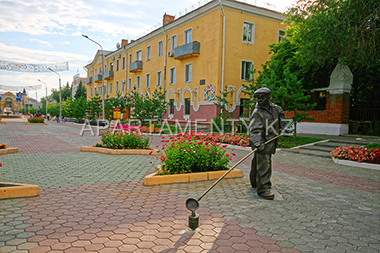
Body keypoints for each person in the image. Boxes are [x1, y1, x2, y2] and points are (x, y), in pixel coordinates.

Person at [249, 87, 285, 200]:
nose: (259, 101)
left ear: (268, 97)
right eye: (257, 98)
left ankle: (254, 181)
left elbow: (282, 122)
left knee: (258, 162)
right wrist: (257, 142)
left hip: (271, 141)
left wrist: (283, 129)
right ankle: (263, 189)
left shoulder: (277, 109)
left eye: (261, 98)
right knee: (264, 164)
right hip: (262, 142)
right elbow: (255, 130)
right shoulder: (257, 113)